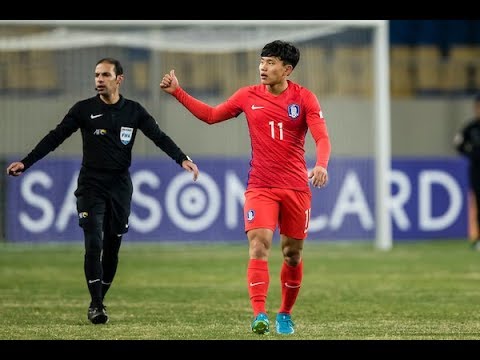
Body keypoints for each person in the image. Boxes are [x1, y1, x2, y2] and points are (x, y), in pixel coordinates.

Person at [6, 57, 199, 325]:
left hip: (120, 187)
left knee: (111, 247)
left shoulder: (134, 111)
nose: (99, 79)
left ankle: (98, 298)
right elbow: (55, 137)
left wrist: (182, 159)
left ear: (119, 79)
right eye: (96, 75)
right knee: (93, 241)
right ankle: (96, 305)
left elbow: (159, 136)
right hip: (91, 185)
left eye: (105, 75)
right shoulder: (83, 110)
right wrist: (26, 162)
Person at [160, 40, 331, 335]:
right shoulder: (247, 96)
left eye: (271, 63)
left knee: (292, 254)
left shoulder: (305, 99)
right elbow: (212, 116)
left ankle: (285, 314)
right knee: (259, 244)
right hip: (260, 186)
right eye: (262, 61)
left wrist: (322, 164)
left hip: (295, 189)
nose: (263, 67)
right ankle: (259, 314)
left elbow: (322, 138)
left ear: (287, 69)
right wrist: (178, 92)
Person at [454, 92, 480, 250]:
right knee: (478, 204)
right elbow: (458, 144)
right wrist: (470, 153)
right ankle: (478, 240)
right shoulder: (470, 128)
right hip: (477, 171)